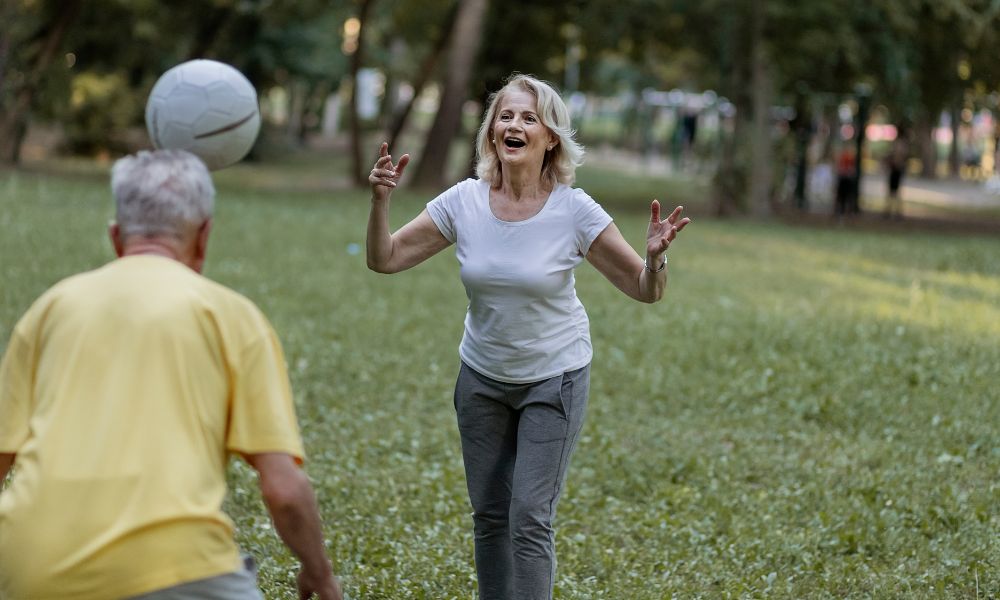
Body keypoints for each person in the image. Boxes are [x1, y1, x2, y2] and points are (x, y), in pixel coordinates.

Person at [366, 73, 690, 600]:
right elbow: (385, 259)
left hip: (553, 379)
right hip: (482, 379)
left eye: (528, 117)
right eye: (506, 116)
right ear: (493, 131)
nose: (513, 124)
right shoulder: (463, 202)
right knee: (490, 515)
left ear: (551, 138)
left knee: (530, 517)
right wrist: (380, 201)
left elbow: (644, 289)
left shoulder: (574, 210)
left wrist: (656, 259)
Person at [0, 150, 342, 600]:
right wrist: (318, 572)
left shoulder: (50, 309)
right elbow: (283, 489)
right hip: (175, 569)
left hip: (26, 565)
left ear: (116, 237)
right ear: (204, 237)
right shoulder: (233, 317)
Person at [885, 125, 909, 219]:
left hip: (897, 169)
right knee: (893, 191)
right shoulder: (900, 143)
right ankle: (891, 210)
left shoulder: (900, 143)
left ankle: (895, 211)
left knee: (895, 191)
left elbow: (899, 156)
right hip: (895, 168)